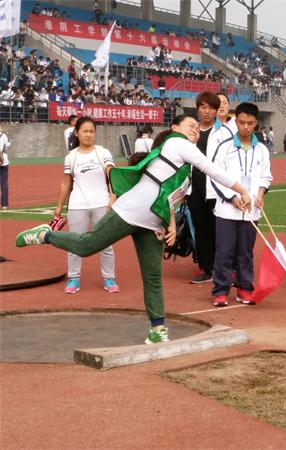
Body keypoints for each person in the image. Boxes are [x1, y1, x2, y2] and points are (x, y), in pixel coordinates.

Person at [16, 115, 251, 343]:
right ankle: (45, 235)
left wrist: (167, 224)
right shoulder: (176, 143)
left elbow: (168, 197)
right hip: (130, 211)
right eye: (190, 125)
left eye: (197, 128)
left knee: (153, 278)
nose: (195, 129)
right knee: (87, 246)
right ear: (174, 129)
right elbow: (210, 168)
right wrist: (241, 190)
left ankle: (157, 329)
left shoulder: (183, 169)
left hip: (152, 224)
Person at [210, 102, 273, 307]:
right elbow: (216, 177)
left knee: (245, 253)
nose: (245, 127)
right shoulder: (224, 147)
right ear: (236, 121)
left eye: (250, 123)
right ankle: (221, 291)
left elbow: (266, 177)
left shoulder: (262, 149)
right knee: (224, 252)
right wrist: (233, 198)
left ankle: (245, 288)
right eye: (242, 122)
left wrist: (260, 194)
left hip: (251, 212)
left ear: (256, 123)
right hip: (227, 211)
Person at [52, 117, 119, 294]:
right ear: (77, 133)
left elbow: (112, 175)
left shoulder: (103, 152)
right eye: (85, 131)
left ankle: (109, 278)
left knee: (106, 243)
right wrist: (59, 207)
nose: (89, 135)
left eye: (92, 131)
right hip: (77, 205)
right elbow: (66, 183)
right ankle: (73, 279)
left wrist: (113, 197)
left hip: (101, 203)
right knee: (74, 243)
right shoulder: (71, 157)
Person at [187, 91, 221, 284]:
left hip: (216, 190)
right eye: (203, 107)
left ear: (216, 110)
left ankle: (220, 267)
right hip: (195, 189)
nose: (207, 111)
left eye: (211, 108)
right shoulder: (189, 132)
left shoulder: (224, 133)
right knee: (200, 229)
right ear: (198, 108)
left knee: (217, 230)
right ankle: (206, 268)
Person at [0, 124, 10, 209]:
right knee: (4, 183)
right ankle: (4, 204)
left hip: (3, 159)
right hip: (3, 161)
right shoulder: (3, 135)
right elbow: (6, 145)